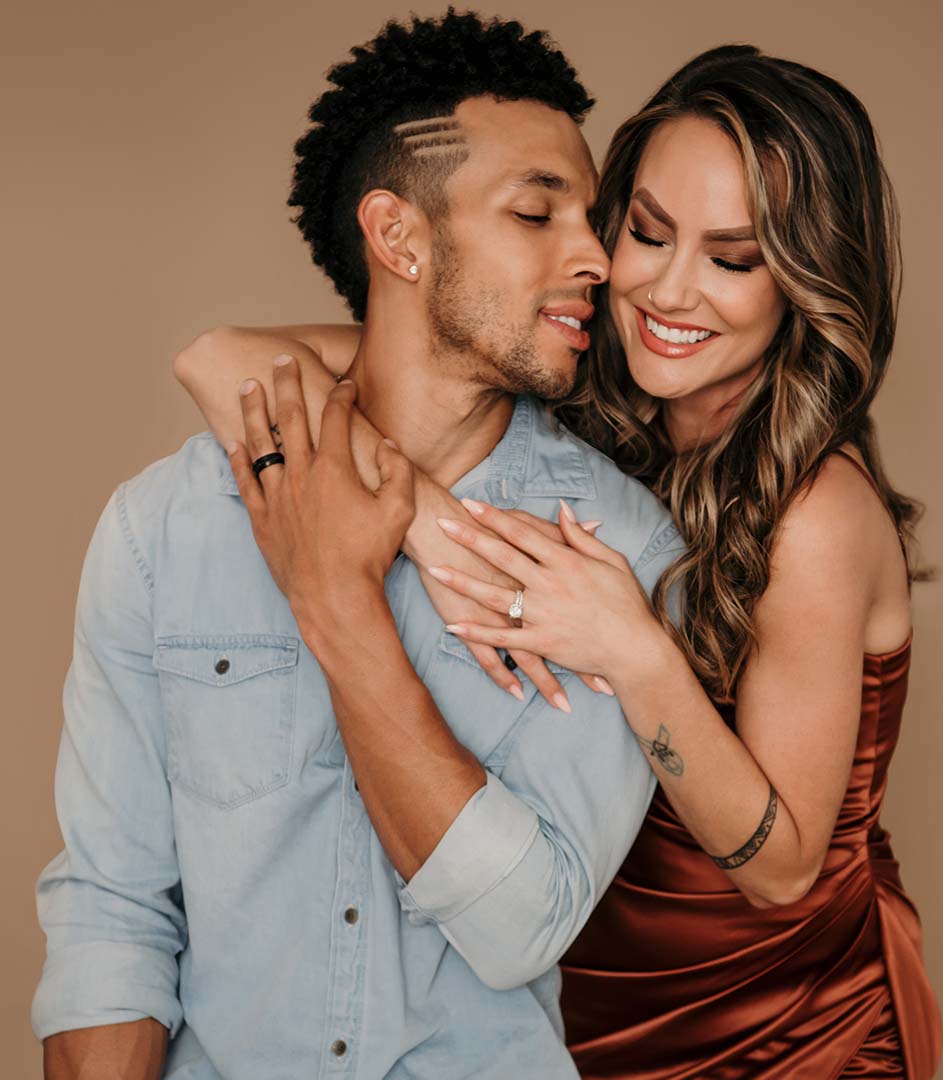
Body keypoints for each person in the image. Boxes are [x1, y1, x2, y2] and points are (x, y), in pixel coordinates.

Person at [182, 44, 943, 1079]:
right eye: (649, 233)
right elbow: (220, 357)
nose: (670, 292)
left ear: (801, 283)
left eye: (732, 258)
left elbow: (785, 865)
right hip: (586, 1005)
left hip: (779, 1026)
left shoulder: (817, 513)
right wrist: (428, 533)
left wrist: (635, 651)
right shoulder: (594, 402)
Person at [31, 12, 684, 1078]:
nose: (599, 259)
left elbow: (526, 923)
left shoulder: (619, 550)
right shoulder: (165, 528)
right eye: (537, 212)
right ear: (399, 236)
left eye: (595, 220)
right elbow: (114, 911)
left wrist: (338, 606)